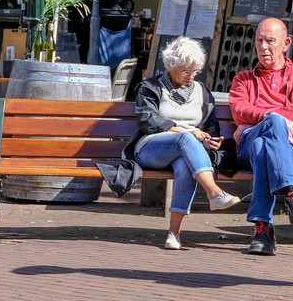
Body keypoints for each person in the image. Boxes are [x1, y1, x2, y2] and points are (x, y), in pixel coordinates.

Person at [96, 36, 241, 250]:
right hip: (151, 148)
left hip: (187, 150)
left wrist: (211, 140)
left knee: (185, 165)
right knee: (186, 138)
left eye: (195, 72)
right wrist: (187, 131)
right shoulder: (150, 87)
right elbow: (148, 121)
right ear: (172, 65)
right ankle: (213, 192)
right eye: (186, 71)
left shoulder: (202, 92)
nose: (191, 77)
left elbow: (211, 126)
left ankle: (174, 233)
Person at [228, 18, 293, 255]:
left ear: (286, 44)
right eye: (259, 40)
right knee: (270, 126)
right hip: (247, 149)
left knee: (264, 146)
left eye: (270, 41)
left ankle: (263, 231)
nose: (263, 46)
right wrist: (273, 118)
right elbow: (239, 109)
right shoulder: (243, 78)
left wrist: (258, 120)